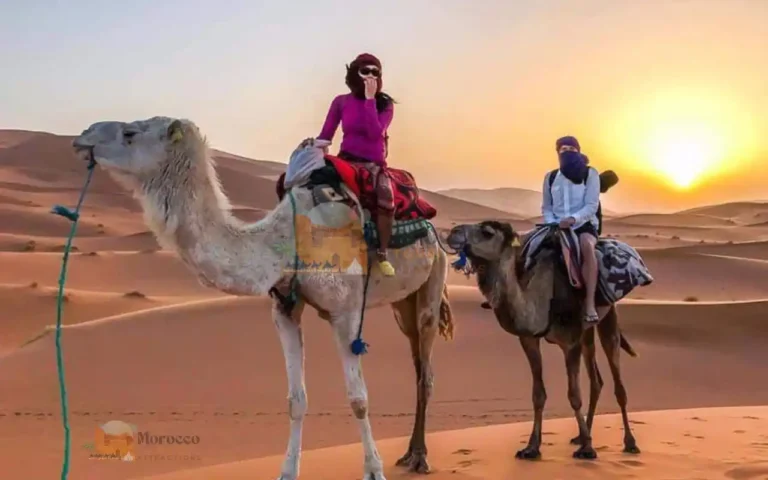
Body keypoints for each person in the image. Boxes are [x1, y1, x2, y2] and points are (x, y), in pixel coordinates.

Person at [316, 53, 397, 277]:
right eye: (365, 71)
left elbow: (375, 133)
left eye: (375, 72)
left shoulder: (385, 104)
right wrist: (314, 146)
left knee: (385, 197)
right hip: (346, 159)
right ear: (355, 74)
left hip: (373, 165)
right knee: (314, 185)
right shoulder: (341, 102)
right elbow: (326, 134)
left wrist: (370, 100)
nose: (370, 76)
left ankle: (382, 254)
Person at [542, 135, 601, 323]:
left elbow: (591, 205)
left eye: (571, 149)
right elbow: (547, 207)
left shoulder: (590, 174)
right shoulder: (551, 177)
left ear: (578, 151)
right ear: (558, 153)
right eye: (563, 150)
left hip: (584, 225)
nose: (567, 152)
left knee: (586, 246)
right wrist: (552, 222)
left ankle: (590, 304)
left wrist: (573, 219)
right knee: (527, 247)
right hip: (555, 225)